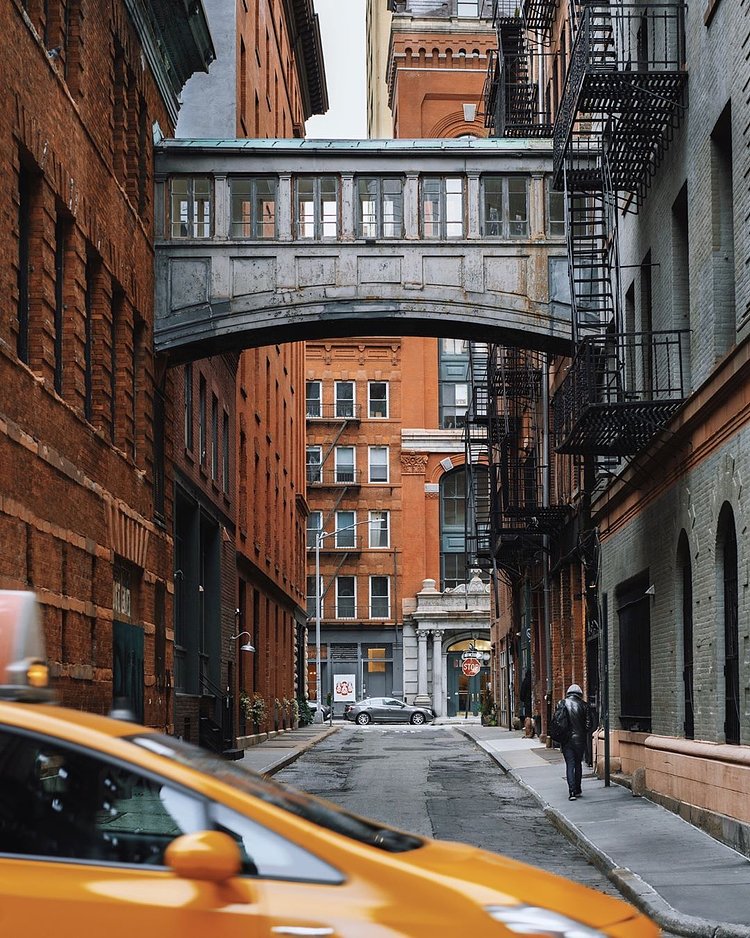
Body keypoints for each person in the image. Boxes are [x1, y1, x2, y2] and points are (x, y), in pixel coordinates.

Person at [560, 684, 594, 801]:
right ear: (580, 694)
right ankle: (578, 789)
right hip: (579, 740)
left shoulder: (562, 703)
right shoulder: (584, 705)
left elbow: (558, 722)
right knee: (578, 764)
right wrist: (582, 731)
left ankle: (571, 792)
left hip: (566, 740)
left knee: (570, 764)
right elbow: (589, 725)